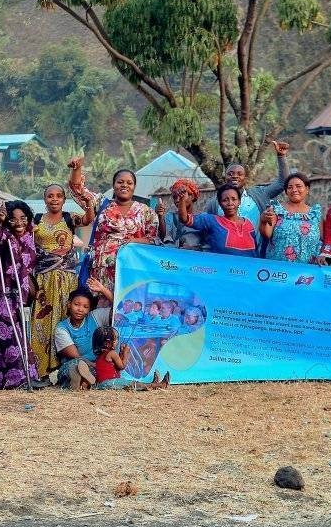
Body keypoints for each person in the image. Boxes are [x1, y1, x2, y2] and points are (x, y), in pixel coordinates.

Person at [68, 158, 158, 306]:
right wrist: (77, 169)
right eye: (120, 182)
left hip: (128, 274)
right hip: (98, 275)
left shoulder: (145, 211)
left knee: (124, 312)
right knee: (98, 319)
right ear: (113, 185)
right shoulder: (102, 204)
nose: (124, 185)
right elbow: (78, 190)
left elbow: (155, 240)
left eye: (129, 183)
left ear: (134, 187)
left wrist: (134, 241)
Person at [30, 182, 93, 382]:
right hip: (44, 281)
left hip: (67, 281)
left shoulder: (69, 218)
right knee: (41, 325)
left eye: (59, 196)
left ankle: (70, 370)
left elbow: (88, 219)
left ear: (64, 200)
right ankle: (41, 373)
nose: (54, 199)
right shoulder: (36, 220)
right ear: (45, 199)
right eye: (50, 196)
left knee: (65, 321)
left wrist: (89, 203)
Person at [0, 200, 38, 389]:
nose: (18, 223)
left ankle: (26, 376)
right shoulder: (3, 234)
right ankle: (15, 379)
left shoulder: (29, 237)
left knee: (18, 334)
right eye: (13, 219)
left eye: (22, 218)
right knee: (8, 336)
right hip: (1, 294)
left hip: (19, 295)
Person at [203, 140, 290, 229]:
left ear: (246, 178)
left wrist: (281, 156)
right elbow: (206, 227)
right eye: (230, 174)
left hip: (254, 243)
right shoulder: (214, 203)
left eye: (239, 174)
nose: (235, 176)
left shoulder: (260, 194)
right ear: (225, 177)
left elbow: (282, 182)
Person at [177, 183, 258, 257]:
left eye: (234, 199)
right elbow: (184, 219)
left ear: (239, 202)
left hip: (249, 271)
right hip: (221, 270)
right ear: (219, 203)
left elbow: (256, 253)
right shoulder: (212, 221)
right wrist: (182, 200)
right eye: (225, 200)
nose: (230, 203)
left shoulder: (248, 224)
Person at [259, 172, 322, 263]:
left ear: (307, 189)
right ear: (286, 191)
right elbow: (267, 234)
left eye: (298, 186)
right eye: (290, 187)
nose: (294, 190)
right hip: (279, 270)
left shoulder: (315, 214)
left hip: (308, 271)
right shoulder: (276, 209)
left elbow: (325, 240)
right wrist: (263, 220)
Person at [157, 180, 204, 250]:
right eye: (175, 197)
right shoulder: (170, 216)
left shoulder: (202, 218)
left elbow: (207, 244)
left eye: (182, 196)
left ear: (192, 196)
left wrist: (194, 248)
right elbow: (162, 237)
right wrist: (160, 216)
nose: (178, 200)